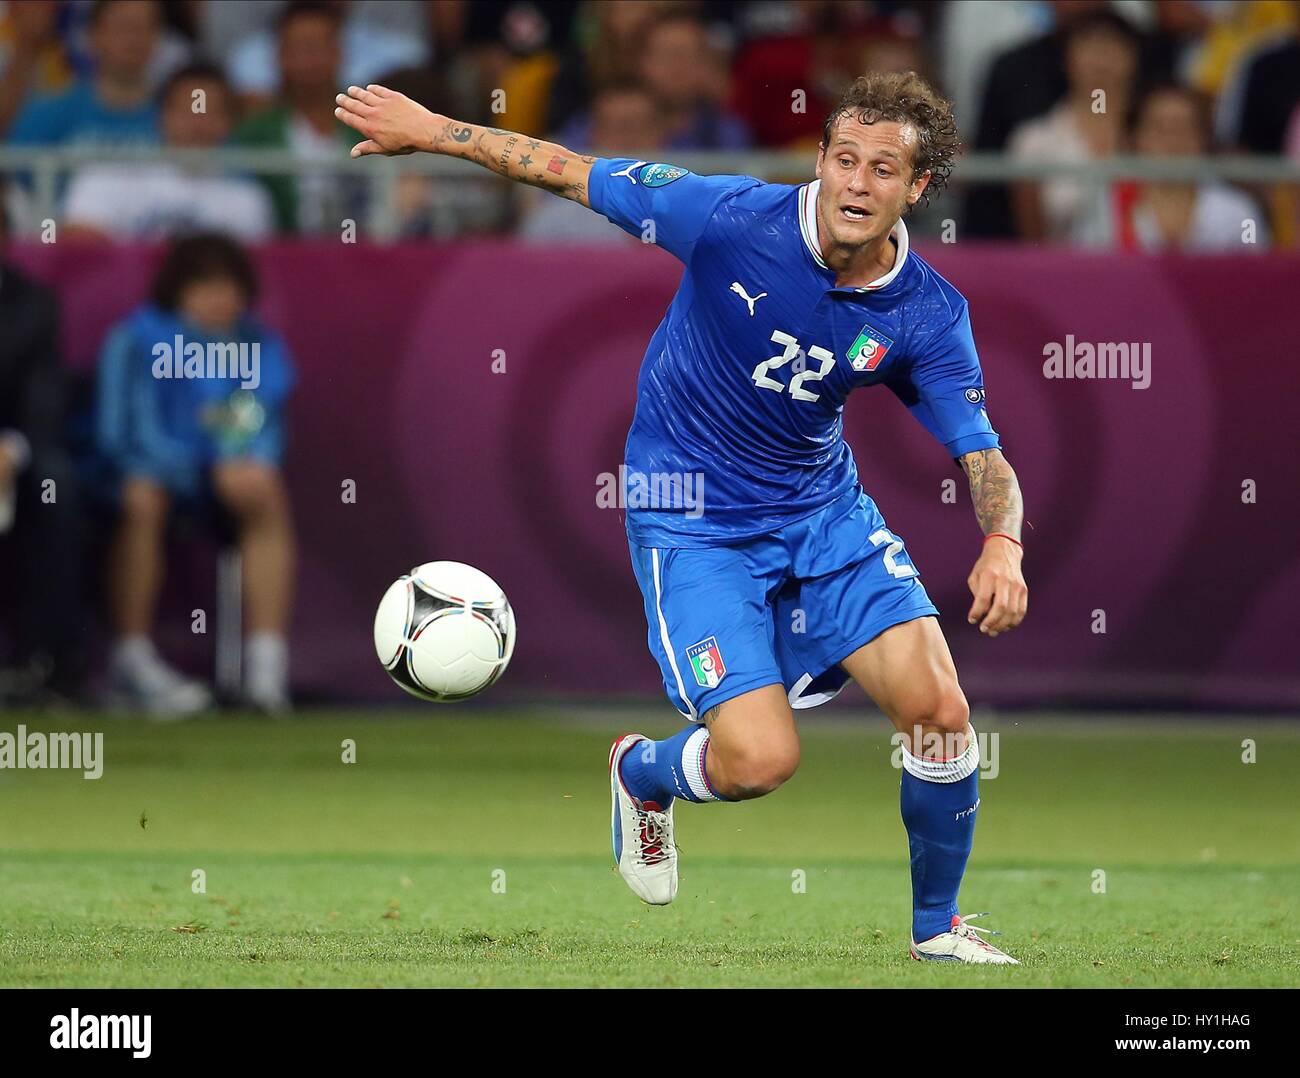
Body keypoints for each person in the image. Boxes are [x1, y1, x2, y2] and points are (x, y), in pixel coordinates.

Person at [336, 68, 1029, 963]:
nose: (859, 183)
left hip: (822, 512)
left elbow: (984, 455)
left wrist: (1003, 541)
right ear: (818, 159)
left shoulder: (930, 315)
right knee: (759, 764)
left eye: (885, 170)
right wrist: (433, 130)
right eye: (845, 159)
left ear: (918, 186)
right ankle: (641, 773)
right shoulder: (729, 217)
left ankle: (938, 930)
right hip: (693, 520)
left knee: (940, 709)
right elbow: (564, 169)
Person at [96, 234, 296, 716]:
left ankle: (265, 670)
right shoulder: (137, 339)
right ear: (178, 291)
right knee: (144, 496)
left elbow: (255, 418)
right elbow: (122, 434)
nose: (219, 299)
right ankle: (132, 662)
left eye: (228, 287)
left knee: (262, 488)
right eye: (205, 287)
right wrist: (203, 465)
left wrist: (243, 457)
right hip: (139, 477)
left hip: (215, 483)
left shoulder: (256, 344)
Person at [0, 193, 84, 700]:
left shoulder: (33, 304)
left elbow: (43, 393)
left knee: (58, 484)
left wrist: (11, 448)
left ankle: (48, 662)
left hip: (13, 450)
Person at [62, 62, 274, 242]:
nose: (199, 125)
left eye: (212, 113)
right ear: (163, 115)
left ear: (229, 122)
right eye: (189, 111)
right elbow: (78, 248)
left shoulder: (248, 200)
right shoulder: (106, 177)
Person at [7, 0, 162, 148]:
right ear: (94, 36)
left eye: (144, 27)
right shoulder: (46, 113)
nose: (134, 39)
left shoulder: (179, 114)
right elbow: (15, 169)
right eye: (122, 28)